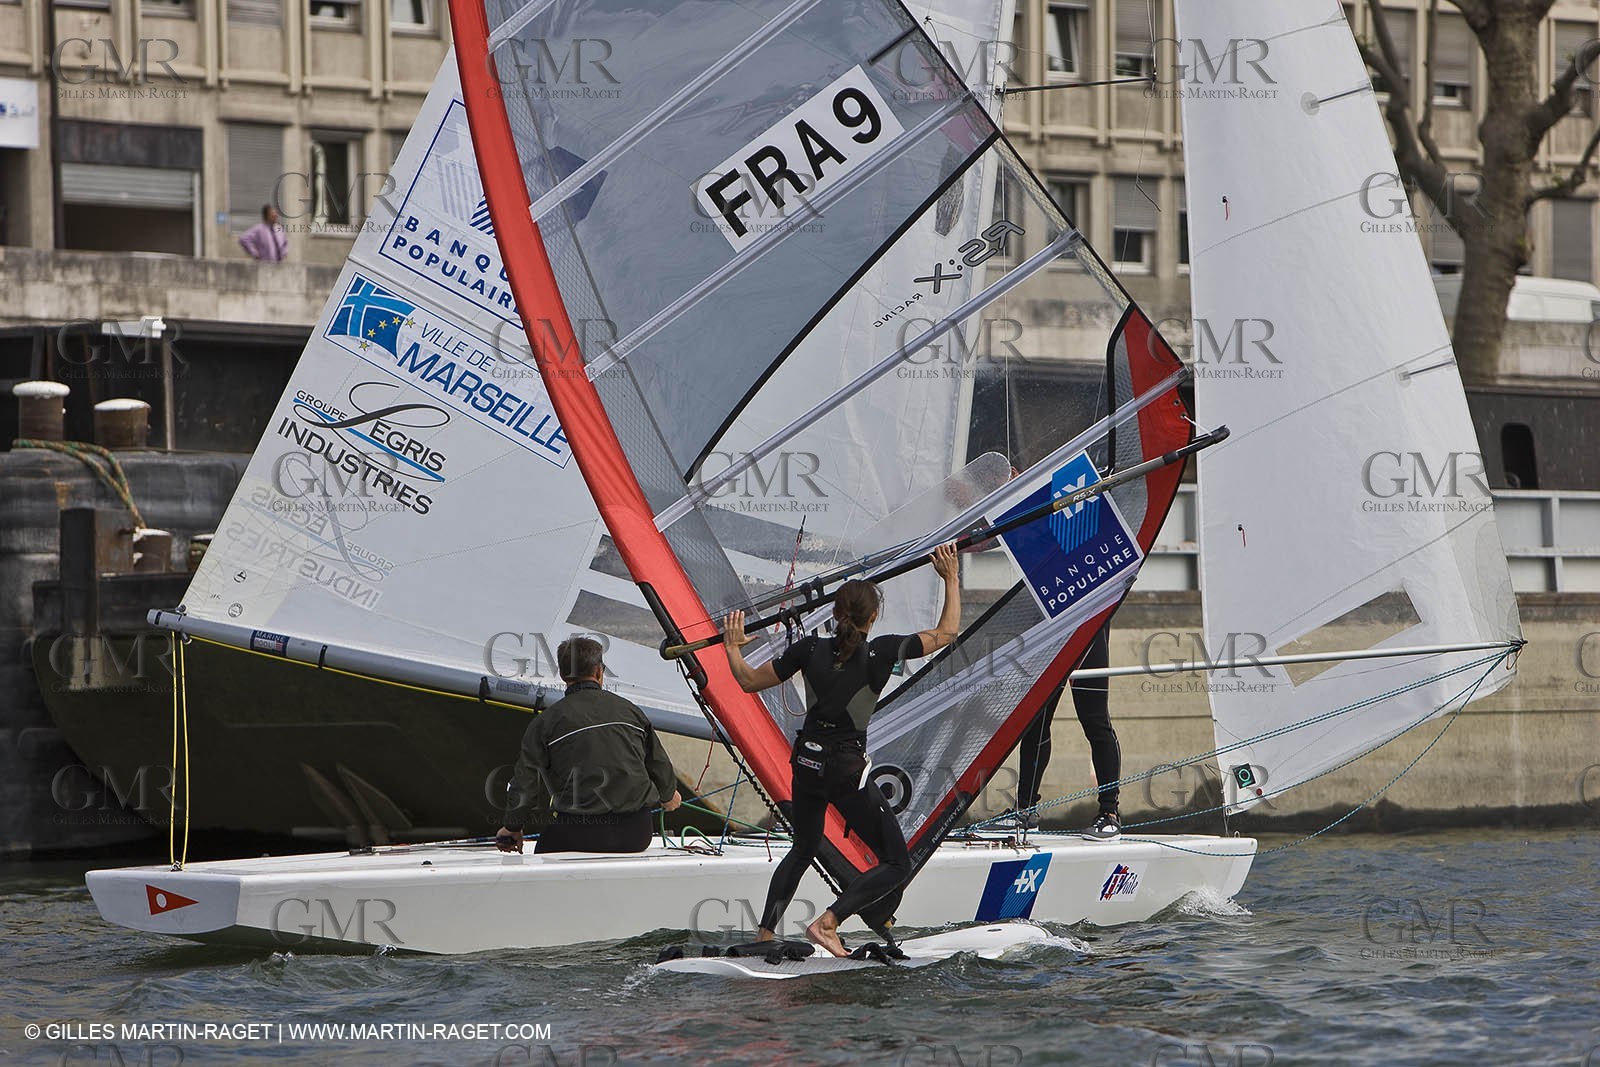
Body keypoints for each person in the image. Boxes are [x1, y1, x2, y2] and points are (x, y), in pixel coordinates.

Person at [723, 542, 962, 958]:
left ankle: (764, 935)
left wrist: (731, 647)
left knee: (804, 846)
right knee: (897, 863)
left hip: (806, 765)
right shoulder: (882, 652)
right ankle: (828, 922)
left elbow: (747, 681)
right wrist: (951, 578)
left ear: (834, 614)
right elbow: (946, 633)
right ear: (873, 618)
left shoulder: (808, 650)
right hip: (846, 772)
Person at [495, 636, 681, 854]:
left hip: (579, 835)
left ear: (562, 675)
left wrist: (512, 827)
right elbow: (656, 760)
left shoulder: (545, 723)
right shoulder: (631, 711)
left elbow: (526, 782)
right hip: (637, 835)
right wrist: (668, 794)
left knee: (543, 852)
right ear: (599, 672)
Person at [1015, 622, 1120, 839]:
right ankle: (1024, 811)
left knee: (1095, 721)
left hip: (1088, 628)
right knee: (1036, 722)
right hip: (1053, 632)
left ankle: (1110, 814)